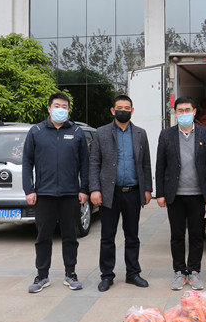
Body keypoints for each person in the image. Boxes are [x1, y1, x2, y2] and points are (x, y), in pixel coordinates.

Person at [22, 93, 89, 293]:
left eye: (64, 106)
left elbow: (85, 164)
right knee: (43, 236)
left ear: (68, 110)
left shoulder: (76, 132)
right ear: (49, 109)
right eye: (57, 106)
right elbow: (27, 162)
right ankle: (42, 275)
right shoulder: (36, 132)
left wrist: (84, 189)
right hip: (44, 194)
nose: (61, 109)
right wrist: (29, 190)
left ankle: (71, 273)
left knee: (70, 236)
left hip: (70, 194)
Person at [89, 95, 153, 292]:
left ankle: (133, 273)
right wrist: (95, 189)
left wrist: (147, 189)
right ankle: (107, 275)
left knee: (132, 236)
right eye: (119, 107)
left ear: (132, 111)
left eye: (127, 108)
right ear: (112, 110)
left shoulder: (140, 133)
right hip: (110, 193)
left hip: (133, 192)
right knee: (107, 237)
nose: (123, 111)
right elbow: (94, 163)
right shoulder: (101, 133)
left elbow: (146, 163)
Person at [156, 96, 206, 291]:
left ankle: (194, 271)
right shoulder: (167, 135)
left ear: (194, 112)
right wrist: (160, 193)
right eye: (180, 111)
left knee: (197, 235)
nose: (184, 114)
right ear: (175, 113)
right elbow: (160, 165)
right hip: (175, 195)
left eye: (187, 110)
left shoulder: (205, 134)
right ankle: (179, 272)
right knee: (177, 235)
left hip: (197, 194)